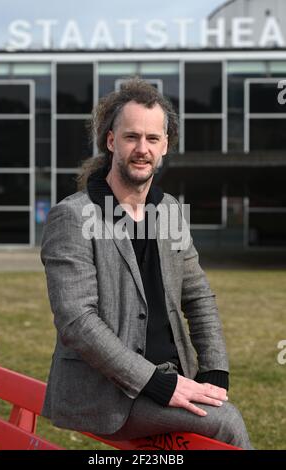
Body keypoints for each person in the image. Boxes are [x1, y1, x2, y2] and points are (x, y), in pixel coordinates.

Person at [41, 78, 252, 449]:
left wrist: (215, 371)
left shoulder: (168, 209)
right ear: (111, 142)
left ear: (165, 145)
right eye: (131, 137)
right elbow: (77, 321)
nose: (142, 149)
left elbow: (198, 296)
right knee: (225, 422)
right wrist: (156, 383)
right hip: (107, 394)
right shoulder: (73, 216)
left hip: (171, 377)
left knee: (218, 409)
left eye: (153, 139)